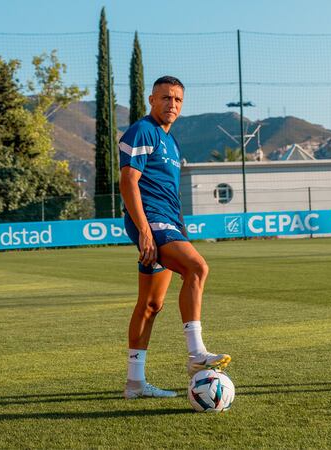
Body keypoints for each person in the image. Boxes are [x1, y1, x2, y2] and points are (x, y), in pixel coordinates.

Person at [119, 76, 231, 399]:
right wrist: (144, 230)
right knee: (197, 268)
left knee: (151, 304)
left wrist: (181, 230)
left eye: (178, 100)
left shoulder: (172, 142)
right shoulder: (142, 130)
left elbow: (170, 192)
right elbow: (128, 181)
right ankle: (197, 355)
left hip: (169, 223)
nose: (172, 105)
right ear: (151, 100)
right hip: (151, 224)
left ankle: (135, 383)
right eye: (166, 98)